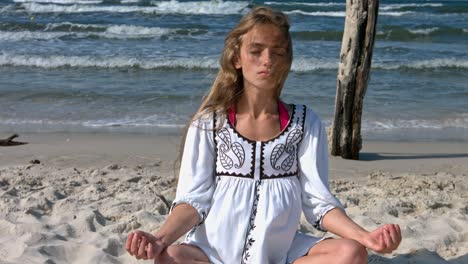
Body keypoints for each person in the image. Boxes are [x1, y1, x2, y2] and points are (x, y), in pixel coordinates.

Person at [126, 6, 401, 264]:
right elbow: (192, 202)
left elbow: (318, 203)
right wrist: (159, 238)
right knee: (169, 257)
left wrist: (365, 236)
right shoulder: (210, 123)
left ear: (287, 60)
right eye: (256, 51)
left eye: (278, 52)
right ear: (237, 59)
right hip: (212, 253)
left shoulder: (305, 123)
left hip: (280, 253)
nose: (267, 60)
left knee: (351, 252)